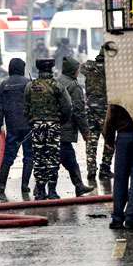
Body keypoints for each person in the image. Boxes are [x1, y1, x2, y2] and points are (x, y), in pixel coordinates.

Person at [23, 59, 72, 200]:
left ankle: (40, 191)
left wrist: (32, 122)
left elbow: (25, 109)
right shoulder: (57, 85)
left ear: (38, 70)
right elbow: (67, 107)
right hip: (53, 126)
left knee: (38, 158)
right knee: (52, 158)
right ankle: (52, 191)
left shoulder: (29, 86)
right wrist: (60, 121)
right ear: (51, 69)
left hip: (37, 126)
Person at [0, 58, 33, 196]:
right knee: (29, 156)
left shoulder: (4, 84)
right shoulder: (29, 83)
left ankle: (2, 185)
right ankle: (25, 185)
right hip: (28, 127)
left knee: (8, 157)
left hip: (12, 127)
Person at [56, 57, 95, 198]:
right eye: (78, 69)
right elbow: (79, 112)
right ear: (73, 70)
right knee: (68, 159)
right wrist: (85, 132)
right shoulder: (74, 86)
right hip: (65, 130)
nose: (79, 71)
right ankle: (79, 186)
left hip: (52, 129)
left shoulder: (57, 81)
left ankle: (42, 189)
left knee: (54, 159)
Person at [80, 49, 115, 183]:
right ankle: (105, 169)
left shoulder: (89, 66)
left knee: (91, 140)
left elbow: (81, 67)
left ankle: (91, 170)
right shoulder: (110, 69)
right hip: (104, 110)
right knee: (109, 140)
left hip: (90, 108)